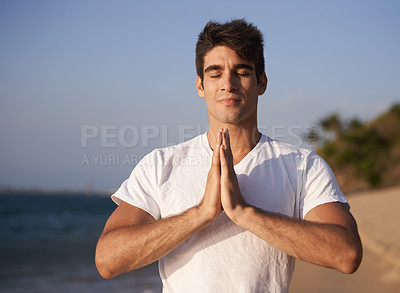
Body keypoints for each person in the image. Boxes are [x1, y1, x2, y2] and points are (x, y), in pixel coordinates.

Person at [95, 19, 362, 292]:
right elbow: (107, 260)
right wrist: (200, 214)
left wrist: (243, 212)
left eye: (242, 72)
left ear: (262, 82)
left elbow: (346, 255)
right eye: (215, 73)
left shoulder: (301, 165)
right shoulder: (161, 165)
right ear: (200, 85)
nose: (228, 83)